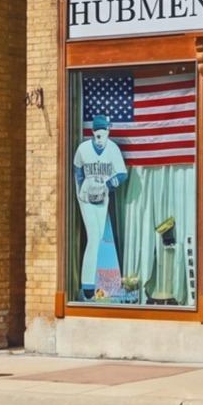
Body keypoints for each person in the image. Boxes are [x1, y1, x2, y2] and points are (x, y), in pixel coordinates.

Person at [74, 121, 129, 296]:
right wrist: (81, 190)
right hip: (86, 196)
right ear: (92, 132)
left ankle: (91, 284)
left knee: (97, 238)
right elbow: (78, 170)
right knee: (94, 236)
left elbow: (122, 173)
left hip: (103, 194)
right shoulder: (83, 148)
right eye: (97, 135)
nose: (100, 139)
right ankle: (88, 284)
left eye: (103, 134)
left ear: (108, 132)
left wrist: (108, 185)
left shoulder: (112, 148)